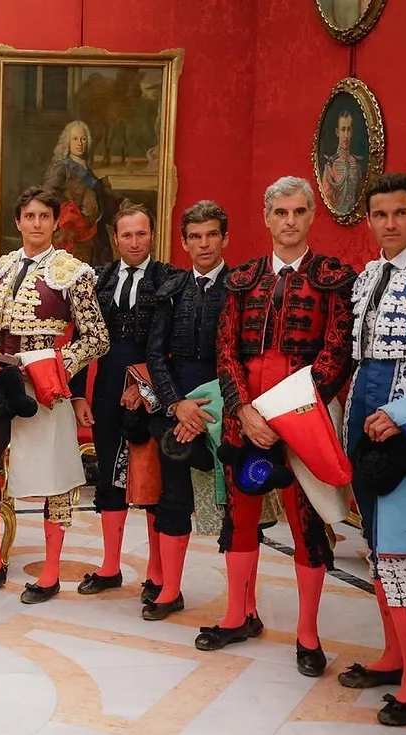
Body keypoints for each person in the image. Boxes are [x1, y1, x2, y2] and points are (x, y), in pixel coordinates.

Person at [206, 176, 355, 677]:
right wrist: (244, 411)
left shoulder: (334, 276)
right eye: (280, 212)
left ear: (311, 217)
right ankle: (236, 615)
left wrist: (292, 415)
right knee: (240, 518)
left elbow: (336, 354)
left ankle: (308, 634)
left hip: (304, 420)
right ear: (267, 218)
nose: (289, 221)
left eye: (297, 212)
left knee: (306, 526)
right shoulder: (243, 278)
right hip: (245, 419)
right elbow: (225, 350)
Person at [0, 185, 108, 601]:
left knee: (55, 480)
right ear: (18, 222)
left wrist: (56, 364)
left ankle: (49, 572)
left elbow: (97, 337)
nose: (37, 224)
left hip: (46, 387)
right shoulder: (3, 269)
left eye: (44, 216)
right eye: (29, 216)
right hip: (3, 382)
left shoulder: (72, 272)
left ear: (55, 221)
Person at [340, 172, 406, 726]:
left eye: (400, 214)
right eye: (380, 215)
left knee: (400, 550)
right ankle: (394, 656)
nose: (388, 224)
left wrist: (403, 414)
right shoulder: (368, 276)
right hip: (362, 419)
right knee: (374, 545)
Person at [68, 203, 173, 601]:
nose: (134, 242)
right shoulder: (98, 280)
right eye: (126, 235)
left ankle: (157, 572)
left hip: (153, 390)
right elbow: (82, 339)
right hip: (108, 387)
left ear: (152, 235)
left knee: (152, 481)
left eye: (141, 234)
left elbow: (173, 345)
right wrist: (79, 394)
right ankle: (110, 567)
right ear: (115, 238)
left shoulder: (169, 281)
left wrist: (145, 384)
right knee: (109, 476)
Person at [143, 200, 231, 621]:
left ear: (224, 238)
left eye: (212, 234)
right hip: (177, 410)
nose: (204, 244)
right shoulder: (172, 291)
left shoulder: (241, 288)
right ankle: (170, 590)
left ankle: (242, 605)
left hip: (226, 410)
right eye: (195, 237)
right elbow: (155, 354)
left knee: (239, 506)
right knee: (173, 499)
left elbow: (242, 356)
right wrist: (177, 405)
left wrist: (212, 407)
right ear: (183, 243)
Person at [44, 120, 121, 266]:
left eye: (83, 139)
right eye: (75, 139)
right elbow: (49, 197)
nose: (79, 143)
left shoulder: (87, 170)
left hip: (95, 233)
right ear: (68, 142)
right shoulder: (62, 168)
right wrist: (71, 212)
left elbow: (100, 201)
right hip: (72, 234)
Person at [320, 111, 365, 216]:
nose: (346, 135)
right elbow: (327, 203)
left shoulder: (357, 164)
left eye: (348, 130)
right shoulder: (330, 165)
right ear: (337, 132)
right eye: (343, 129)